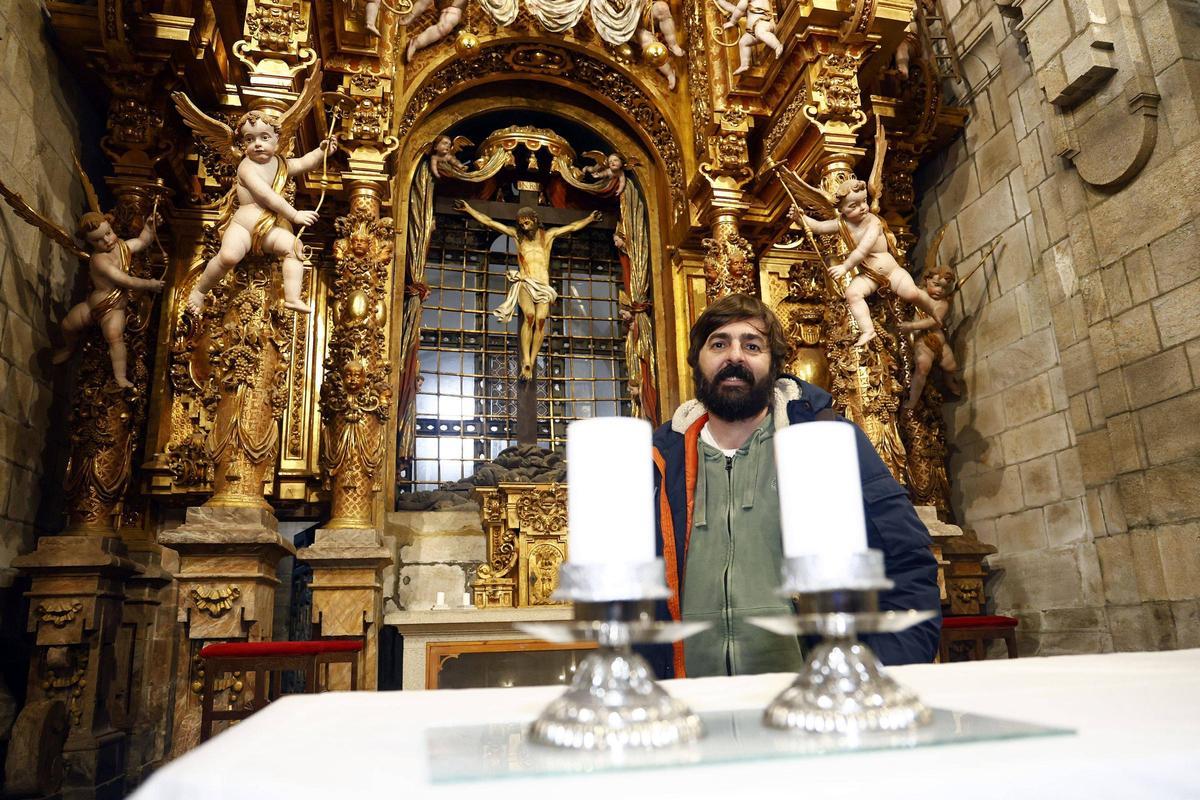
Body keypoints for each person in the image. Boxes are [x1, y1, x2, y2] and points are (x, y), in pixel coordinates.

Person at [646, 293, 940, 679]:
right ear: (696, 361)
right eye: (719, 344)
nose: (735, 356)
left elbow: (907, 559)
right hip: (694, 704)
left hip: (811, 702)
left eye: (752, 345)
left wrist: (883, 671)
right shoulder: (661, 463)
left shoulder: (826, 442)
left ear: (775, 364)